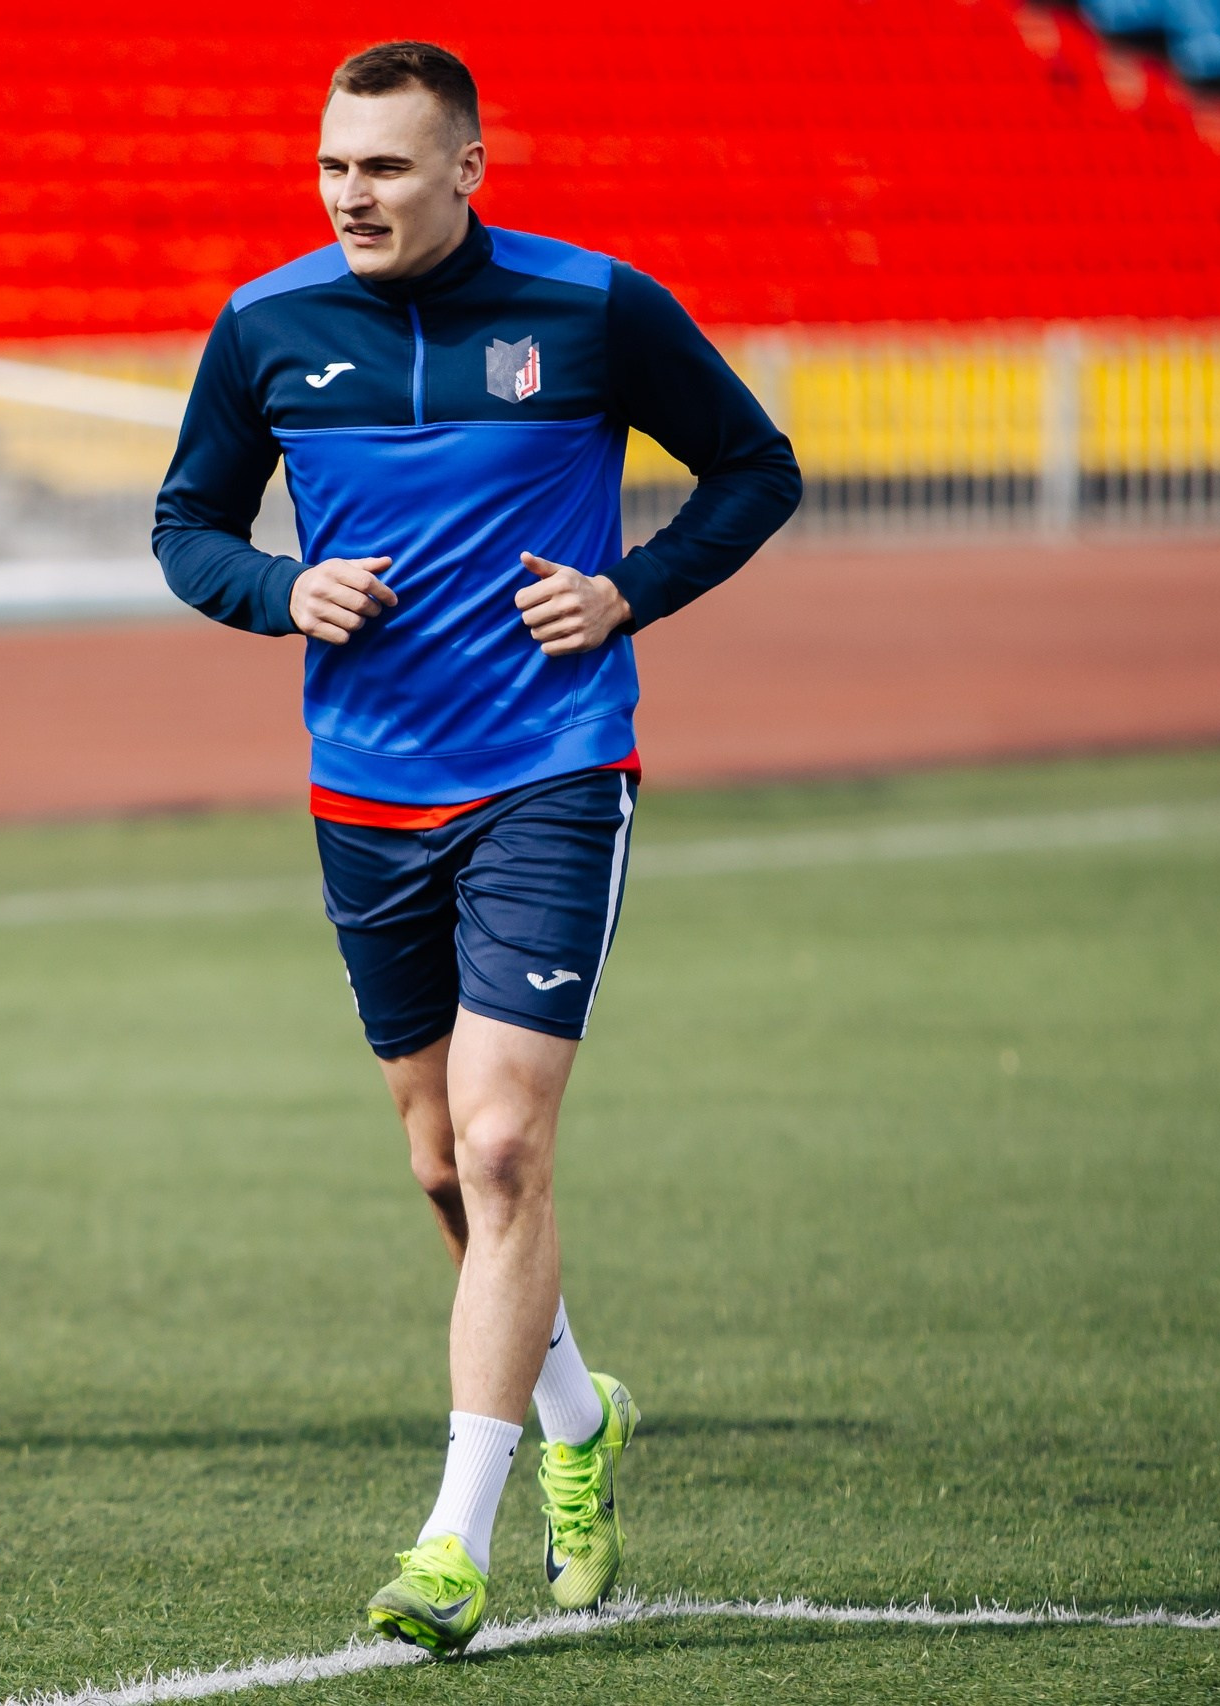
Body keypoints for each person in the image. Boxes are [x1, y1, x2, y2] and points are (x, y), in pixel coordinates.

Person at [154, 42, 800, 1651]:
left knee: (507, 1146)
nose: (350, 195)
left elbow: (756, 467)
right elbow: (186, 526)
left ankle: (453, 1541)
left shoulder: (594, 309)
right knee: (442, 1159)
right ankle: (579, 1416)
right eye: (331, 167)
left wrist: (630, 590)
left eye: (383, 166)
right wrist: (275, 589)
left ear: (468, 168)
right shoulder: (266, 326)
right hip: (366, 789)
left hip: (554, 768)